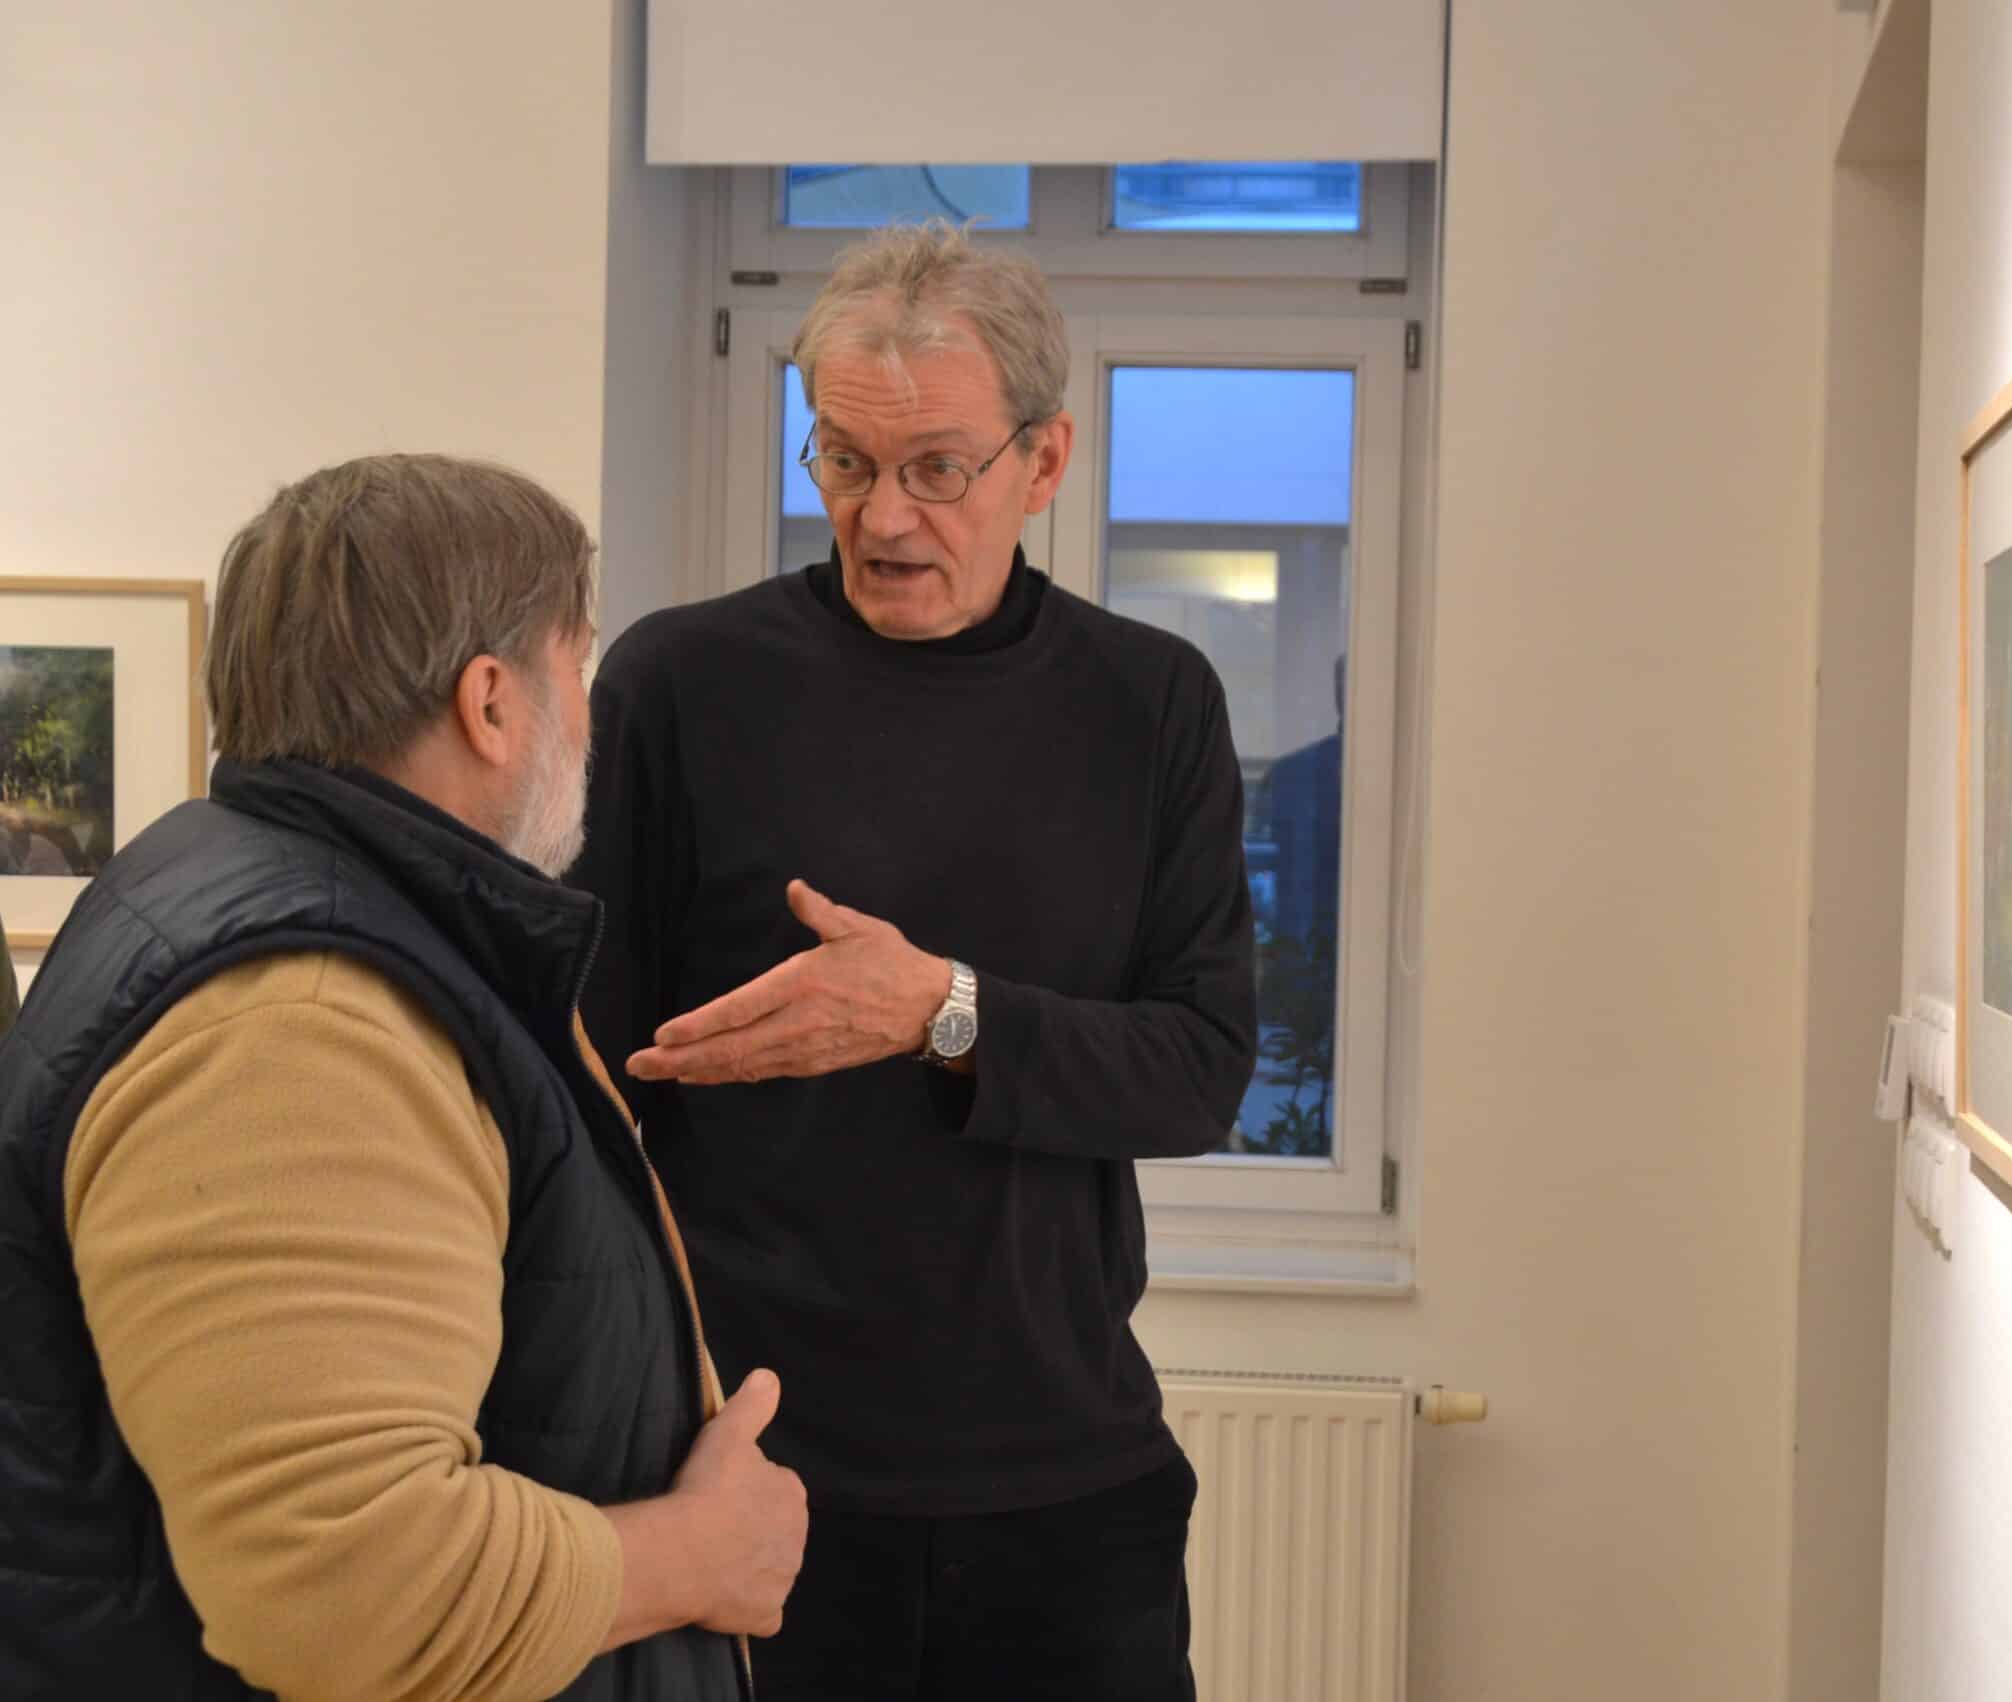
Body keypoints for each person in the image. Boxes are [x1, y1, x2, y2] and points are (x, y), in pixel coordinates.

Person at [572, 223, 1256, 1700]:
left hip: (1065, 1483)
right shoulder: (678, 687)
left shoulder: (1152, 704)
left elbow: (1201, 1070)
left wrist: (941, 1013)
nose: (882, 517)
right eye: (844, 460)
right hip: (745, 1470)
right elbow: (582, 1086)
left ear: (1045, 461)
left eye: (937, 468)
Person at [0, 455, 806, 1700]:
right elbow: (346, 1587)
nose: (586, 716)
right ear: (491, 702)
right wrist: (701, 1557)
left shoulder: (321, 915)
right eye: (575, 666)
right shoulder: (302, 1017)